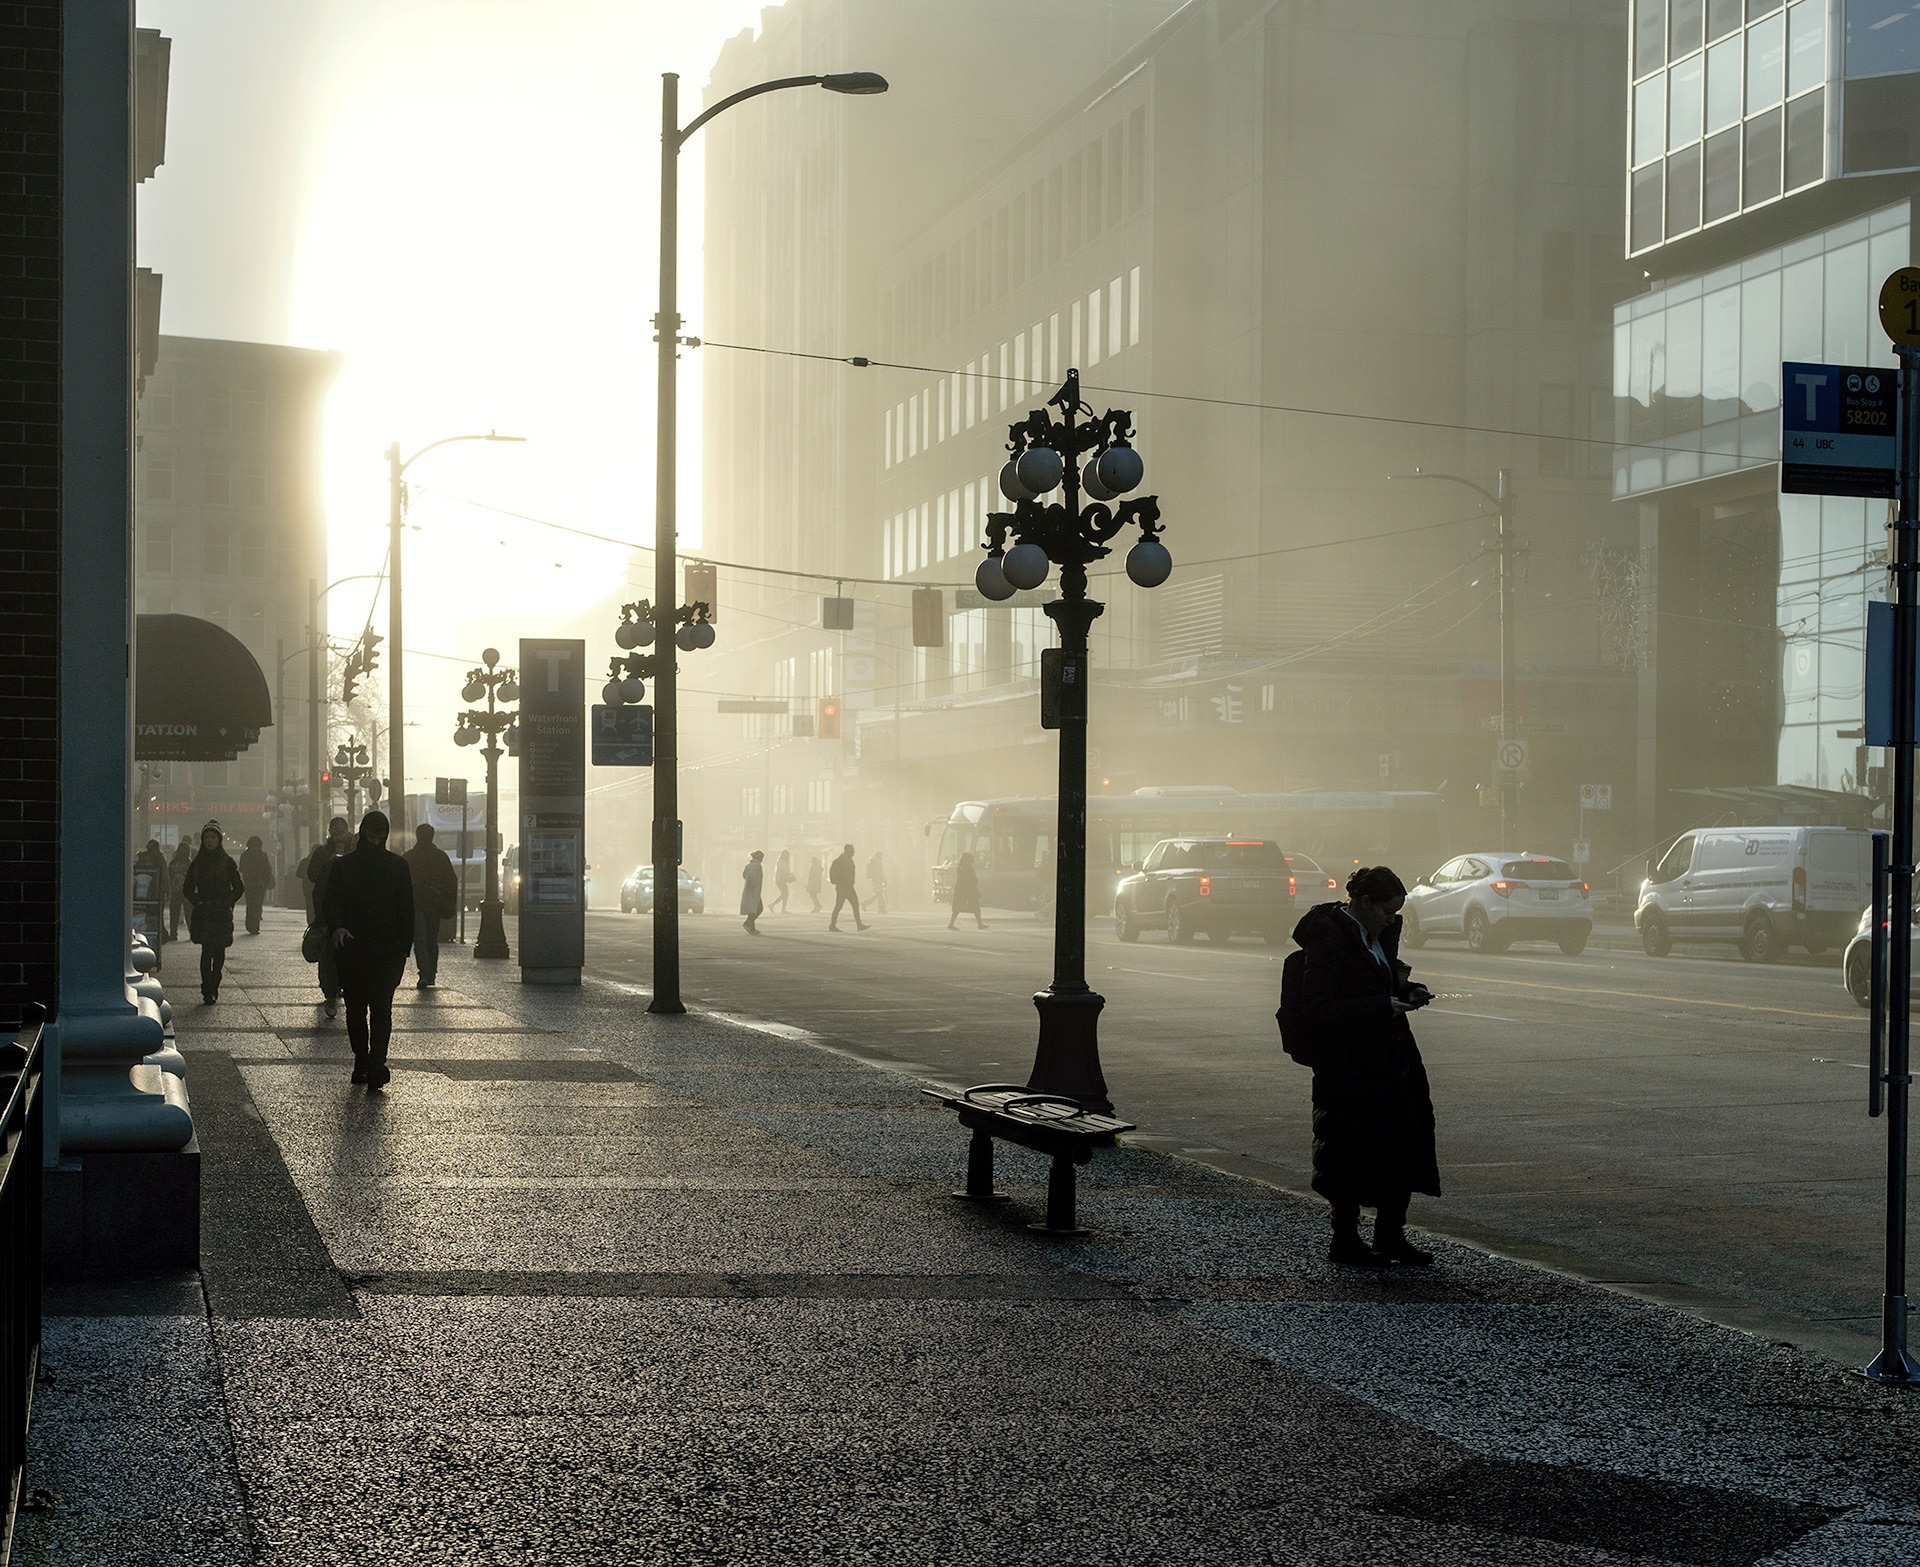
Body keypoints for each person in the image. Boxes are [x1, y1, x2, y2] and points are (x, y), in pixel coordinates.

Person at [1285, 865, 1440, 1269]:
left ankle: (1390, 1235)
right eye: (1388, 910)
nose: (1393, 919)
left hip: (1391, 1061)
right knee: (1350, 1152)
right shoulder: (1329, 941)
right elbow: (1317, 1008)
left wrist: (1406, 990)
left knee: (1402, 1145)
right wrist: (1379, 1006)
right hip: (1349, 1068)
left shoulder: (1376, 936)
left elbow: (1378, 983)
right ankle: (1346, 1240)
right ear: (1364, 902)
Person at [322, 810, 414, 1089]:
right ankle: (363, 1059)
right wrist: (338, 926)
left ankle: (374, 1061)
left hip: (382, 950)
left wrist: (403, 948)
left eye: (379, 838)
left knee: (379, 1007)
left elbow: (406, 910)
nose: (375, 843)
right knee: (358, 1008)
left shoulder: (393, 866)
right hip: (357, 947)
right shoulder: (349, 867)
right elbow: (331, 902)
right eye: (371, 837)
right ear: (363, 835)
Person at [181, 821, 244, 1004]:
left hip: (221, 913)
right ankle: (207, 988)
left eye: (213, 837)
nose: (210, 841)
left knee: (219, 952)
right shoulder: (197, 864)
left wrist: (228, 901)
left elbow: (239, 887)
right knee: (206, 950)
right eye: (207, 837)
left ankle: (215, 982)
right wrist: (198, 901)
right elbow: (187, 888)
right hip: (205, 912)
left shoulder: (228, 862)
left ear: (219, 840)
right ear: (202, 840)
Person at [305, 817, 353, 1018]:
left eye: (341, 831)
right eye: (334, 831)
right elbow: (312, 875)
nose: (338, 835)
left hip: (350, 908)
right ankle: (330, 991)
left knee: (348, 952)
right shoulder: (322, 852)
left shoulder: (356, 850)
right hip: (326, 907)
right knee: (328, 952)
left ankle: (342, 986)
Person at [404, 823, 459, 988]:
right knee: (431, 939)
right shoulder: (441, 856)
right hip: (435, 904)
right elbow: (451, 880)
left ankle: (424, 972)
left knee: (419, 939)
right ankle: (432, 973)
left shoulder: (409, 857)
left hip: (416, 904)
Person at [238, 834, 276, 936]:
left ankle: (249, 923)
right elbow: (267, 869)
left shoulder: (244, 855)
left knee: (250, 904)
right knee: (257, 905)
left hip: (249, 884)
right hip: (260, 884)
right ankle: (255, 926)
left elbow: (241, 868)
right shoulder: (263, 855)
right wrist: (263, 879)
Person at [828, 843, 868, 932]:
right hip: (846, 887)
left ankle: (833, 925)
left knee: (839, 906)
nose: (854, 852)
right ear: (848, 850)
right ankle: (859, 925)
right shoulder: (847, 860)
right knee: (853, 905)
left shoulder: (842, 859)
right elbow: (848, 876)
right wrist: (849, 888)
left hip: (842, 887)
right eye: (853, 850)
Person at [947, 852, 987, 931]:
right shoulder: (968, 868)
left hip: (961, 891)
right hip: (968, 891)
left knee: (957, 909)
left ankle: (951, 924)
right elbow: (971, 880)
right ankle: (980, 924)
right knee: (976, 908)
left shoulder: (961, 868)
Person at [167, 838, 193, 941]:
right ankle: (192, 934)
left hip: (175, 891)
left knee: (174, 914)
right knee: (189, 914)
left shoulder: (173, 863)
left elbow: (169, 876)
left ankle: (173, 934)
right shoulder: (189, 863)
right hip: (186, 892)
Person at [740, 849, 765, 934]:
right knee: (759, 908)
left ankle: (752, 928)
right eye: (761, 858)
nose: (762, 860)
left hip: (749, 891)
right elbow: (751, 875)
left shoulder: (749, 865)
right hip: (754, 890)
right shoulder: (757, 866)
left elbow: (744, 875)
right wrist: (752, 883)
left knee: (752, 909)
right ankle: (747, 923)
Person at [866, 850, 889, 915]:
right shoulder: (878, 863)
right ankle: (865, 903)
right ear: (879, 856)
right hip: (877, 880)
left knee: (879, 895)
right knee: (879, 894)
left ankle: (881, 908)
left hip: (875, 880)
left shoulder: (875, 863)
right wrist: (884, 880)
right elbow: (880, 873)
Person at [771, 849, 794, 914]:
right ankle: (782, 908)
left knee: (784, 894)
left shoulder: (779, 861)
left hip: (779, 880)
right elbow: (787, 870)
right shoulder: (783, 862)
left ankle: (774, 904)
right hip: (781, 880)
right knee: (785, 894)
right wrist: (790, 874)